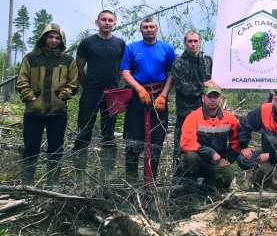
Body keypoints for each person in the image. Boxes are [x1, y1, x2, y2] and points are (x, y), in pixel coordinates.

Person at [16, 24, 78, 186]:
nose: (54, 40)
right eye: (50, 37)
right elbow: (22, 81)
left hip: (58, 113)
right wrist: (31, 98)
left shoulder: (67, 60)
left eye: (57, 38)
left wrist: (63, 96)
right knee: (31, 149)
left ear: (62, 40)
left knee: (56, 150)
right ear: (44, 37)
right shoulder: (31, 58)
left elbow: (73, 82)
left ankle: (53, 184)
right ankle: (27, 184)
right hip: (33, 113)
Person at [120, 17, 176, 182]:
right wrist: (139, 89)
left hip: (159, 97)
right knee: (132, 141)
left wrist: (164, 95)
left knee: (156, 141)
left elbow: (172, 74)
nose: (149, 29)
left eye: (151, 26)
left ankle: (150, 182)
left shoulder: (166, 48)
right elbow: (124, 72)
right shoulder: (132, 48)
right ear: (141, 30)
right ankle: (131, 182)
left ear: (156, 28)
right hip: (137, 98)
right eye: (145, 27)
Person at [72, 10, 126, 177]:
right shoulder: (88, 42)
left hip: (113, 94)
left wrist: (120, 88)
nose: (107, 22)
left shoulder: (120, 44)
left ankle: (106, 175)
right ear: (97, 22)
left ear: (114, 23)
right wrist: (86, 85)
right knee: (84, 132)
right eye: (104, 20)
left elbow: (124, 69)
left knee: (108, 134)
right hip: (91, 93)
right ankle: (79, 174)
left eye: (110, 20)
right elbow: (78, 66)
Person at [177, 83, 239, 193]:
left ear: (221, 98)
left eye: (216, 96)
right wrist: (211, 153)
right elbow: (186, 143)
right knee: (190, 157)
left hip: (217, 162)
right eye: (210, 96)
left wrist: (229, 158)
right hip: (198, 160)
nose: (213, 99)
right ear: (203, 98)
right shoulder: (193, 117)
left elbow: (237, 140)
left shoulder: (229, 118)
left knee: (228, 176)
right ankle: (190, 188)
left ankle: (207, 187)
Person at [171, 31, 213, 181]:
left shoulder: (207, 61)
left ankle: (208, 180)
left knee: (206, 147)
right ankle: (180, 182)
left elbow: (214, 84)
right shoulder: (178, 63)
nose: (193, 44)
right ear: (185, 43)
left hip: (206, 113)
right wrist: (203, 86)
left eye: (195, 41)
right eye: (190, 41)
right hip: (186, 114)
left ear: (200, 42)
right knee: (182, 148)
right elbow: (184, 89)